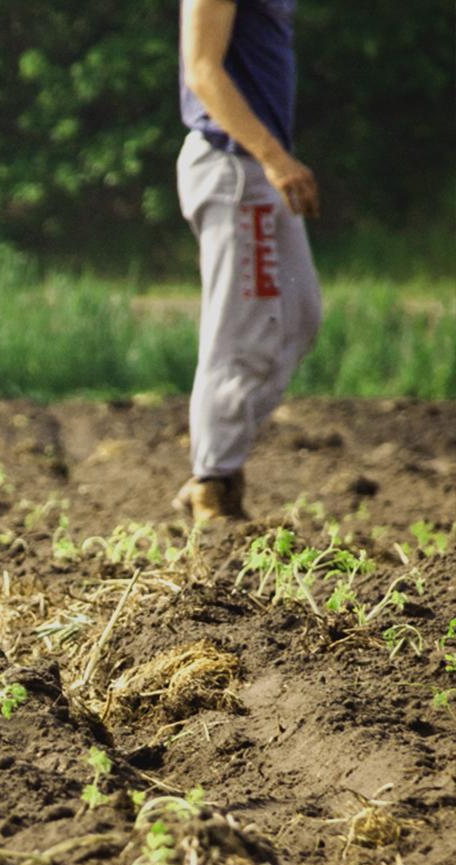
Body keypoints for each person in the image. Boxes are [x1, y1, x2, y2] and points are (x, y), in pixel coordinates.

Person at [176, 0, 323, 521]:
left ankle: (217, 457)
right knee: (242, 334)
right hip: (237, 165)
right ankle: (213, 482)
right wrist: (274, 156)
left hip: (258, 168)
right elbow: (201, 68)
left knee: (300, 318)